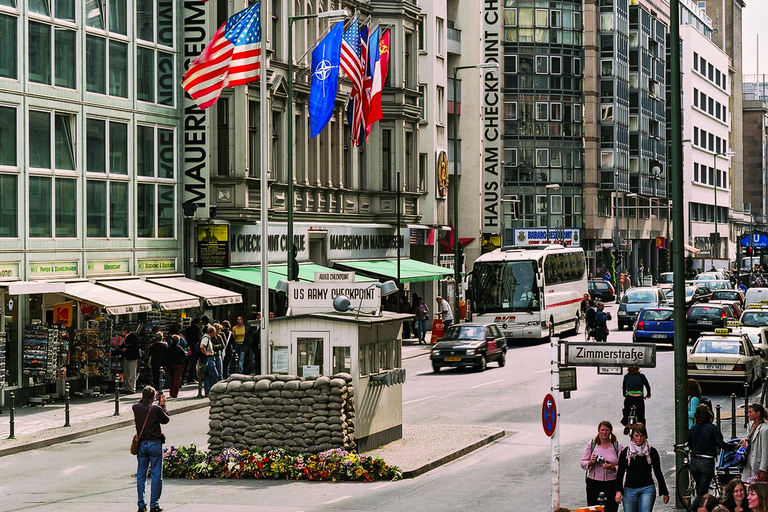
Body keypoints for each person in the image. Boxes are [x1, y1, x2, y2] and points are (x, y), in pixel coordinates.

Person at [688, 404, 735, 511]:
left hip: (694, 462)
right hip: (707, 462)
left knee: (700, 488)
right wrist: (733, 446)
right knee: (702, 492)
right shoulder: (712, 428)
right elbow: (721, 443)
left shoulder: (693, 428)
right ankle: (691, 510)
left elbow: (690, 445)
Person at [615, 423, 670, 511]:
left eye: (642, 435)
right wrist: (619, 490)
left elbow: (658, 472)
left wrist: (664, 492)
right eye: (636, 435)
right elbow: (620, 473)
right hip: (629, 489)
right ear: (632, 436)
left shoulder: (652, 451)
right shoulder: (626, 452)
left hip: (647, 488)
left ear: (645, 436)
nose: (639, 438)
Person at [132, 385, 170, 512]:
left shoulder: (136, 408)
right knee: (156, 475)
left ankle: (141, 504)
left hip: (142, 444)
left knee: (141, 475)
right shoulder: (156, 409)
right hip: (154, 443)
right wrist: (163, 405)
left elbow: (140, 403)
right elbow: (165, 420)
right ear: (154, 397)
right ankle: (154, 504)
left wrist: (149, 398)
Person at [580, 420, 623, 512]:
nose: (604, 432)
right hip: (594, 482)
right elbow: (583, 463)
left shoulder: (617, 446)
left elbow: (623, 467)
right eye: (602, 430)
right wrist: (591, 462)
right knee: (593, 509)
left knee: (611, 509)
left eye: (607, 430)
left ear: (611, 431)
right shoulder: (592, 444)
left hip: (611, 483)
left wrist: (612, 468)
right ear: (598, 431)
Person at [743, 402, 768, 483]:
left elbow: (765, 450)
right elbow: (748, 438)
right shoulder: (750, 425)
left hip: (757, 464)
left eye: (750, 412)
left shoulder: (765, 429)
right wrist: (744, 441)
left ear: (758, 413)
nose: (748, 414)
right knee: (745, 484)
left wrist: (763, 469)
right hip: (748, 461)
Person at [621, 366, 651, 434]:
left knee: (626, 411)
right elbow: (647, 386)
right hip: (639, 399)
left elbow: (624, 387)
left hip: (629, 398)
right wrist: (648, 394)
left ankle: (626, 424)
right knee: (641, 416)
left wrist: (625, 395)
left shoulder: (626, 376)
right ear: (638, 369)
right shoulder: (642, 376)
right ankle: (643, 431)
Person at [119, 325, 141, 394]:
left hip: (132, 358)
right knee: (126, 373)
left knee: (131, 373)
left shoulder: (132, 337)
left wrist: (126, 349)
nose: (121, 333)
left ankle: (132, 388)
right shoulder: (127, 338)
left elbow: (134, 347)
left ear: (125, 331)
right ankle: (128, 387)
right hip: (127, 357)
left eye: (122, 331)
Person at [200, 325, 219, 396]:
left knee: (207, 376)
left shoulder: (206, 338)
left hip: (206, 360)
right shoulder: (206, 338)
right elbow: (202, 346)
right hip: (209, 359)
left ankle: (208, 391)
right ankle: (212, 390)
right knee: (214, 375)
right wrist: (206, 353)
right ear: (213, 332)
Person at [184, 318, 202, 384]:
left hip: (188, 347)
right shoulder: (198, 330)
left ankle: (188, 377)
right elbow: (199, 339)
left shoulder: (187, 330)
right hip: (195, 348)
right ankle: (193, 377)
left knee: (189, 362)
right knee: (194, 362)